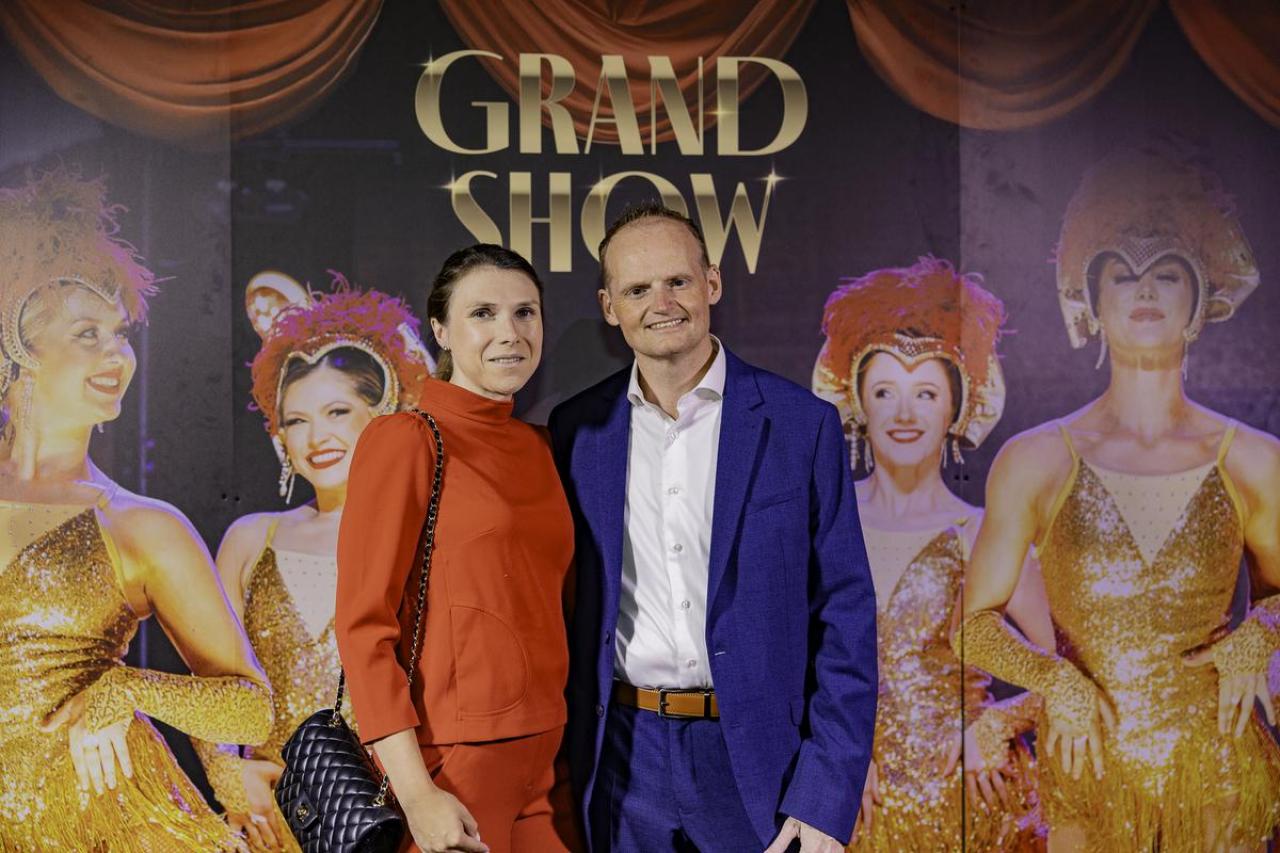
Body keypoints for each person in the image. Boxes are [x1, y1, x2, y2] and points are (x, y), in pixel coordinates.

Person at [955, 143, 1280, 851]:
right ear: (1092, 302)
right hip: (1089, 766)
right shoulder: (1036, 459)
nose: (1144, 290)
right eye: (1123, 275)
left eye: (1167, 273)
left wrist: (1264, 629)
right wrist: (1055, 680)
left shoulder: (1254, 459)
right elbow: (972, 626)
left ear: (1200, 300)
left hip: (1215, 766)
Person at [547, 203, 878, 852]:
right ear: (610, 307)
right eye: (637, 289)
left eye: (678, 281)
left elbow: (846, 614)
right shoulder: (578, 431)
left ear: (713, 284)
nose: (661, 303)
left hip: (759, 760)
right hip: (623, 757)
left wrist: (824, 794)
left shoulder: (800, 424)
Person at [0, 169, 273, 850]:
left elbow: (249, 707)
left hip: (103, 822)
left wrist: (125, 688)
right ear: (19, 345)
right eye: (87, 333)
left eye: (120, 334)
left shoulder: (139, 523)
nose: (117, 356)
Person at [336, 245, 577, 853]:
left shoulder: (544, 448)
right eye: (483, 313)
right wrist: (417, 793)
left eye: (525, 312)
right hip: (452, 767)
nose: (510, 333)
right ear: (441, 330)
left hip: (552, 766)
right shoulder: (406, 440)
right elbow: (363, 627)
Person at [813, 257, 1050, 850]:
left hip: (970, 808)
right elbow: (780, 664)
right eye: (885, 392)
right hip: (848, 806)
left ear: (956, 409)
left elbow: (1068, 671)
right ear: (857, 404)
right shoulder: (822, 525)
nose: (904, 413)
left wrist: (998, 722)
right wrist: (832, 749)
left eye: (925, 393)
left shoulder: (983, 533)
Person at [194, 273, 431, 851]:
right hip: (270, 821)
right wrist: (229, 775)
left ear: (384, 413)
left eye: (337, 411)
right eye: (297, 421)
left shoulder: (423, 538)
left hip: (390, 815)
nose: (316, 437)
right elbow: (212, 679)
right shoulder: (252, 538)